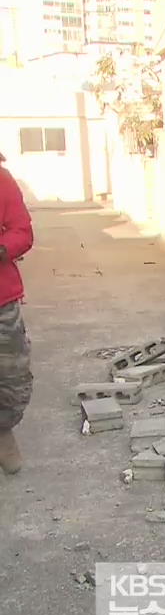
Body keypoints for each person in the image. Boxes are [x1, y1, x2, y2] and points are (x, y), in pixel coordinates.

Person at [0, 152, 33, 474]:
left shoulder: (2, 180)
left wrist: (4, 249)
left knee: (12, 378)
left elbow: (22, 230)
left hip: (2, 298)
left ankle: (3, 430)